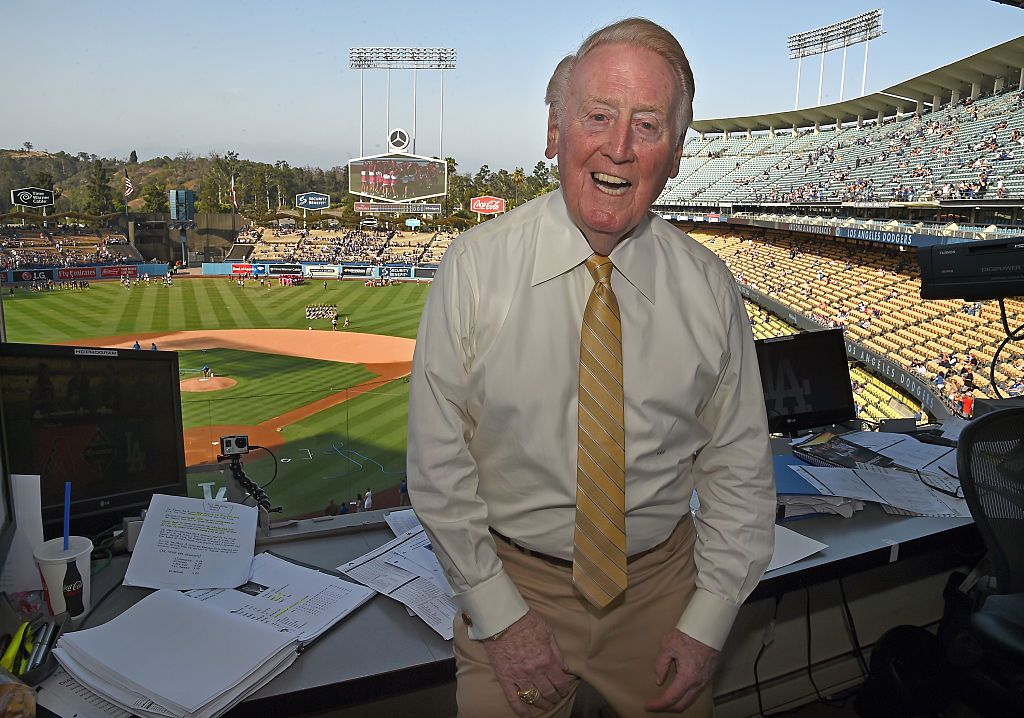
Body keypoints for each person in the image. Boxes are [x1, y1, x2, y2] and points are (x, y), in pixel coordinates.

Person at [407, 18, 774, 718]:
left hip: (665, 587)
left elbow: (738, 471)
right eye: (598, 116)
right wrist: (501, 618)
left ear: (675, 154)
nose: (618, 148)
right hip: (513, 584)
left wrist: (708, 622)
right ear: (555, 132)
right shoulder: (476, 268)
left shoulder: (708, 289)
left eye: (647, 125)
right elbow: (437, 467)